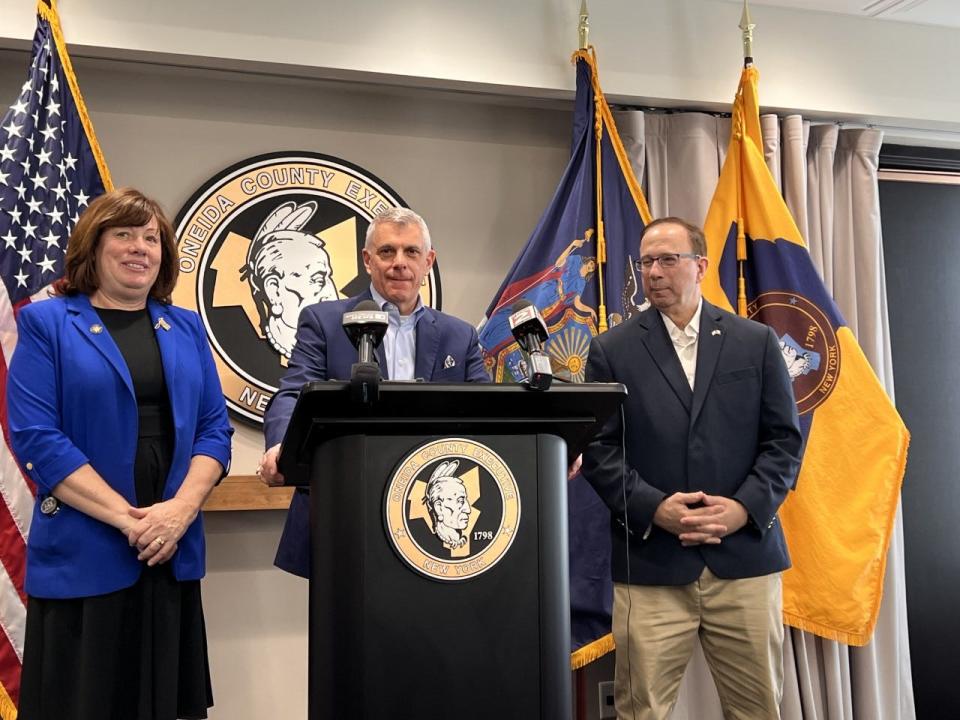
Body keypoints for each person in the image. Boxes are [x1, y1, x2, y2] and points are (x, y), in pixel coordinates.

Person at [7, 188, 233, 720]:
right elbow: (38, 438)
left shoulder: (186, 328)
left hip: (169, 551)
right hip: (88, 550)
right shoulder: (48, 324)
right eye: (124, 235)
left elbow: (213, 431)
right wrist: (131, 522)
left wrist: (178, 513)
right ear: (94, 246)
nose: (139, 248)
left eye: (150, 238)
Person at [582, 217, 802, 720]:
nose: (654, 272)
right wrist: (654, 507)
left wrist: (743, 509)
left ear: (699, 265)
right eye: (646, 262)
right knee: (643, 712)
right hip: (652, 567)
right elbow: (599, 449)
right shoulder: (611, 350)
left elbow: (784, 442)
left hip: (744, 561)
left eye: (667, 259)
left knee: (758, 710)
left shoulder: (756, 342)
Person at [258, 207, 488, 577]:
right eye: (387, 252)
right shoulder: (324, 321)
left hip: (427, 521)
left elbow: (488, 411)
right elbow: (294, 393)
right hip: (345, 510)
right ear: (368, 260)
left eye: (411, 252)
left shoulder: (458, 336)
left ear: (428, 261)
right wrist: (280, 447)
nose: (399, 263)